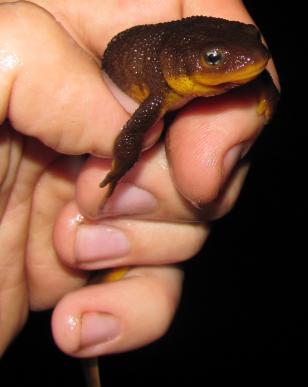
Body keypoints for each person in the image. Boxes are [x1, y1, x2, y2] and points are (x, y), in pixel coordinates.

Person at [0, 0, 278, 360]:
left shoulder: (230, 64)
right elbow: (130, 135)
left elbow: (254, 64)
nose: (254, 58)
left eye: (255, 41)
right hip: (126, 80)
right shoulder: (161, 88)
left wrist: (265, 94)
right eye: (214, 59)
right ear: (186, 65)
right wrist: (120, 168)